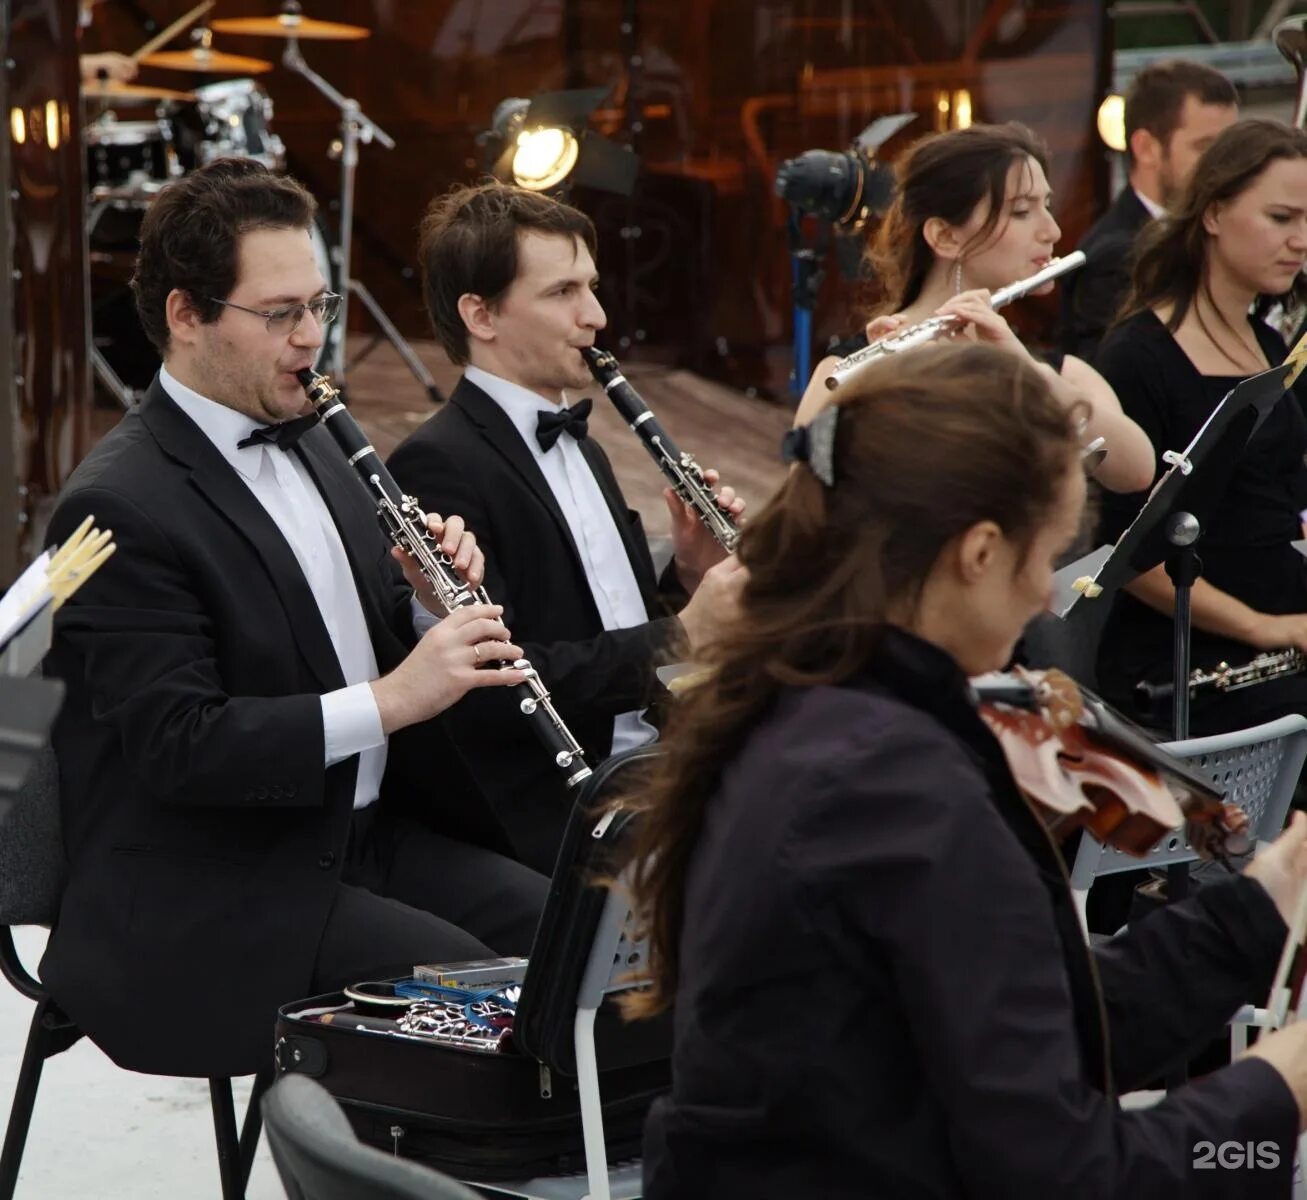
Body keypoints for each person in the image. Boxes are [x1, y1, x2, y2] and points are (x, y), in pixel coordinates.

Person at [621, 340, 1307, 1198]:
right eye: (1046, 554)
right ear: (979, 551)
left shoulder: (820, 702)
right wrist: (1279, 1088)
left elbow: (1029, 1016)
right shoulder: (891, 783)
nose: (1047, 597)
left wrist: (1260, 909)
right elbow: (1065, 1177)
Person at [40, 158, 550, 1081]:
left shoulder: (316, 435)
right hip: (218, 887)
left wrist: (421, 602)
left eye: (321, 306)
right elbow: (180, 746)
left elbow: (326, 631)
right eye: (279, 315)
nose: (311, 338)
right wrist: (396, 699)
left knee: (578, 943)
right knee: (501, 1006)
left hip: (358, 837)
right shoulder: (115, 505)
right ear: (186, 316)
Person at [386, 182, 746, 876]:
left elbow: (608, 625)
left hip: (647, 777)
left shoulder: (585, 447)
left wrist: (689, 576)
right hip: (554, 815)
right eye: (562, 293)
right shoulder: (439, 463)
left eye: (592, 286)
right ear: (481, 314)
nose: (596, 316)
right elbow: (501, 682)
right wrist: (686, 633)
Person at [798, 122, 1155, 496]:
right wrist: (883, 398)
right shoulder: (849, 369)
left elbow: (1137, 471)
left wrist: (1028, 374)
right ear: (946, 236)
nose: (1052, 231)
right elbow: (805, 505)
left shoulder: (1063, 375)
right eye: (1021, 211)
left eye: (1046, 206)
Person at [1094, 119, 1307, 736]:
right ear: (1213, 216)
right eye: (1280, 218)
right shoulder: (1138, 356)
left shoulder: (1269, 340)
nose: (1300, 241)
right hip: (1191, 661)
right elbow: (1125, 554)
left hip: (1284, 630)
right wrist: (1265, 628)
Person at [1061, 59, 1238, 362]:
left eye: (1233, 147)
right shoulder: (1113, 258)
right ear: (1146, 148)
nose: (1227, 165)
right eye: (1205, 147)